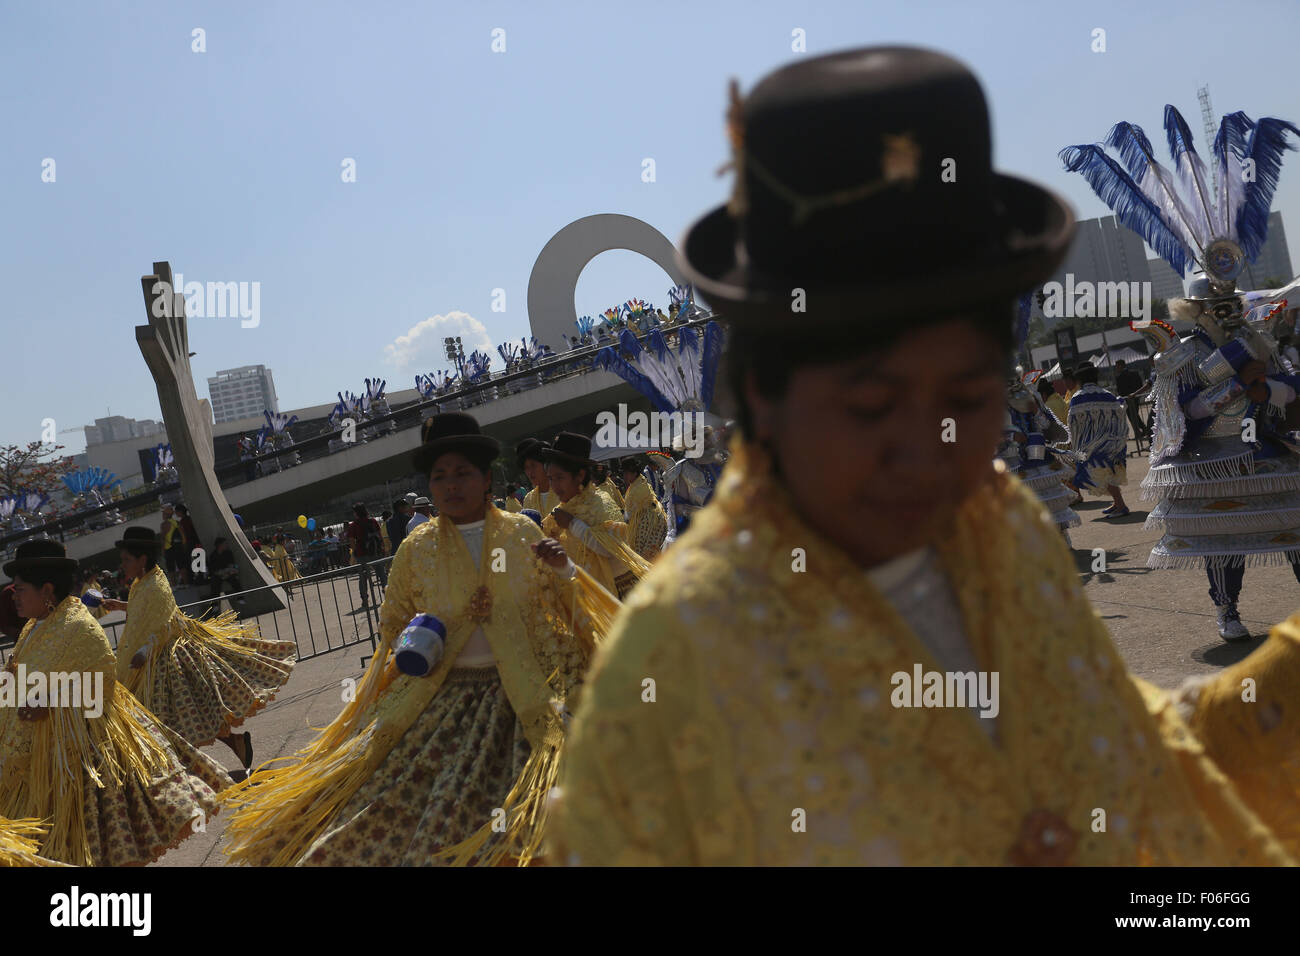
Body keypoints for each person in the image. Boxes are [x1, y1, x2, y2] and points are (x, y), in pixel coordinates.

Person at [550, 45, 1300, 866]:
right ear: (764, 399)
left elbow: (1114, 733)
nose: (927, 450)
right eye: (870, 404)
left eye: (967, 398)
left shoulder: (1000, 527)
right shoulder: (671, 668)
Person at [220, 412, 608, 866]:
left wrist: (564, 568)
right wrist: (413, 644)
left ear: (486, 478)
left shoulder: (522, 531)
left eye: (462, 472)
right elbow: (394, 627)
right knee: (407, 817)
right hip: (441, 699)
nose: (450, 485)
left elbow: (560, 605)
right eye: (439, 476)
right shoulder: (416, 548)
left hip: (521, 695)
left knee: (537, 828)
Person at [1062, 97, 1300, 641]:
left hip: (1267, 451)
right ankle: (1227, 611)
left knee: (1293, 531)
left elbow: (1288, 383)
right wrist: (1235, 368)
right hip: (1212, 457)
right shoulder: (1180, 354)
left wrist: (1273, 391)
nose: (1229, 315)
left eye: (1233, 306)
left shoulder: (1258, 338)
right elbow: (1179, 413)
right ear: (1195, 311)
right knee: (1225, 542)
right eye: (1218, 308)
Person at [0, 538, 231, 865]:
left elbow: (101, 683)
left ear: (47, 590)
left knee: (96, 846)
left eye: (20, 589)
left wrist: (49, 701)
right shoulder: (33, 628)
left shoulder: (79, 627)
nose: (14, 596)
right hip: (28, 762)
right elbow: (20, 672)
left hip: (78, 761)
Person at [100, 527, 296, 772]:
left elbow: (166, 622)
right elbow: (145, 611)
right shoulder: (141, 583)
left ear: (142, 559)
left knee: (176, 719)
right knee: (182, 718)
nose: (123, 565)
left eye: (126, 559)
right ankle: (230, 745)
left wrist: (144, 652)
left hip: (165, 660)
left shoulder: (155, 584)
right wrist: (120, 605)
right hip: (150, 660)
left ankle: (189, 772)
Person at [543, 433, 651, 600]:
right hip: (589, 599)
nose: (554, 486)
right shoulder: (560, 512)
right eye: (551, 478)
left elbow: (611, 548)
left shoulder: (600, 503)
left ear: (579, 475)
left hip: (620, 596)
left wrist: (573, 524)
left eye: (559, 478)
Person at [1063, 364, 1129, 517]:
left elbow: (1073, 422)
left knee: (1102, 473)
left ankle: (1121, 505)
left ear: (1079, 380)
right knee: (1109, 472)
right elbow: (1120, 415)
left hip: (1092, 444)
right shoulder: (1107, 394)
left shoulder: (1078, 397)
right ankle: (1117, 503)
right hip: (1113, 442)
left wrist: (1075, 443)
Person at [620, 456, 669, 560]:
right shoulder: (640, 482)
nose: (624, 476)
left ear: (633, 473)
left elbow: (629, 517)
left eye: (626, 473)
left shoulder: (636, 489)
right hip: (653, 520)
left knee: (643, 556)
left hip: (649, 525)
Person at [347, 503, 387, 607]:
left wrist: (354, 551)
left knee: (363, 577)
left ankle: (365, 599)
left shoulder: (354, 525)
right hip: (375, 551)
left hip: (362, 553)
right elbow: (379, 535)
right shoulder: (373, 521)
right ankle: (388, 594)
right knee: (382, 574)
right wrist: (382, 547)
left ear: (356, 513)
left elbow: (351, 540)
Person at [517, 439, 560, 518]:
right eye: (526, 468)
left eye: (533, 465)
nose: (530, 472)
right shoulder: (528, 499)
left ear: (545, 464)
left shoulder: (562, 491)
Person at [1113, 359, 1150, 441]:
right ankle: (1142, 430)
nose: (1116, 368)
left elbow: (1120, 390)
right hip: (1136, 397)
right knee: (1134, 415)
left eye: (1117, 366)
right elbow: (1140, 384)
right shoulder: (1135, 373)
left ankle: (1141, 431)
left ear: (1120, 366)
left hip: (1127, 399)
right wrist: (1137, 395)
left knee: (1132, 416)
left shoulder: (1119, 377)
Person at [175, 503, 202, 585]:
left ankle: (193, 579)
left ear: (180, 512)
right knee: (196, 562)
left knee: (190, 562)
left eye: (177, 512)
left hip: (190, 544)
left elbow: (186, 534)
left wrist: (185, 544)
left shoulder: (184, 522)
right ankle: (199, 578)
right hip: (193, 543)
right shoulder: (189, 519)